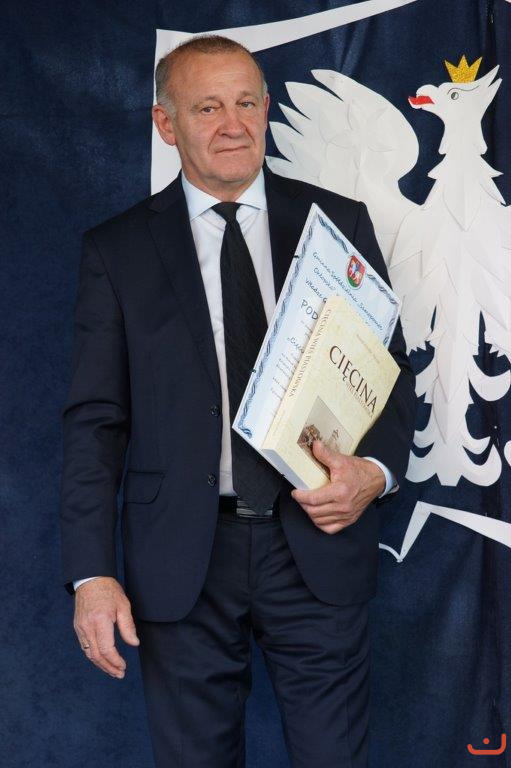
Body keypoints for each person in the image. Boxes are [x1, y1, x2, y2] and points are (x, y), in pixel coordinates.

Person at [60, 34, 416, 768]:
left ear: (266, 109)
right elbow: (96, 423)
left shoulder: (337, 222)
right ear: (166, 124)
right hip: (180, 557)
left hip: (316, 543)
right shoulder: (117, 251)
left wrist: (374, 474)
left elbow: (389, 376)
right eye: (208, 107)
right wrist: (92, 575)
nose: (233, 124)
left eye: (247, 103)